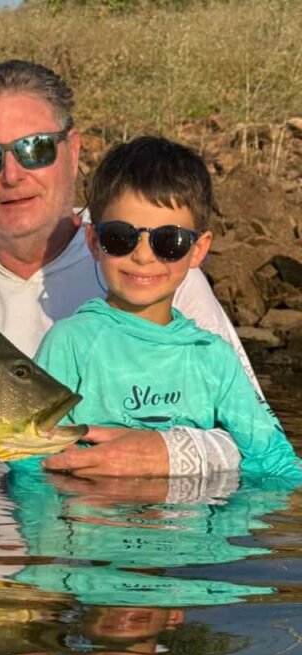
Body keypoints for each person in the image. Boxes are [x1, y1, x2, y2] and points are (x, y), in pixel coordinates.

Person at [0, 60, 260, 491]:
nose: (12, 176)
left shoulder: (150, 266)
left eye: (35, 149)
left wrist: (172, 451)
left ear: (73, 151)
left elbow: (256, 438)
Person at [34, 135, 302, 482]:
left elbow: (276, 461)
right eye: (120, 237)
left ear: (198, 249)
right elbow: (29, 460)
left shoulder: (214, 358)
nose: (143, 256)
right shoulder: (69, 343)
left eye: (169, 241)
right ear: (94, 242)